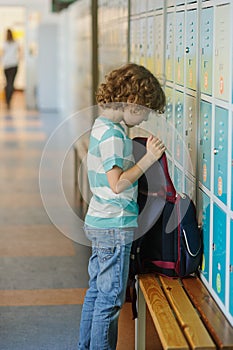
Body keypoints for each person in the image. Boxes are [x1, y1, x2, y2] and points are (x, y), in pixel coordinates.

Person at [78, 63, 166, 350]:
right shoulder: (115, 136)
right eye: (143, 112)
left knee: (96, 293)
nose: (142, 120)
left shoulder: (102, 124)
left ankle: (85, 346)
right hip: (115, 226)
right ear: (131, 102)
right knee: (111, 299)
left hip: (99, 220)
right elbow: (118, 183)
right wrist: (148, 159)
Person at [1, 29, 20, 109]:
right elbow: (20, 52)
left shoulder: (4, 44)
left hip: (6, 65)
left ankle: (7, 100)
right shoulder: (16, 43)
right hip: (14, 64)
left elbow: (1, 53)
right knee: (11, 83)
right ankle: (9, 99)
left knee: (8, 82)